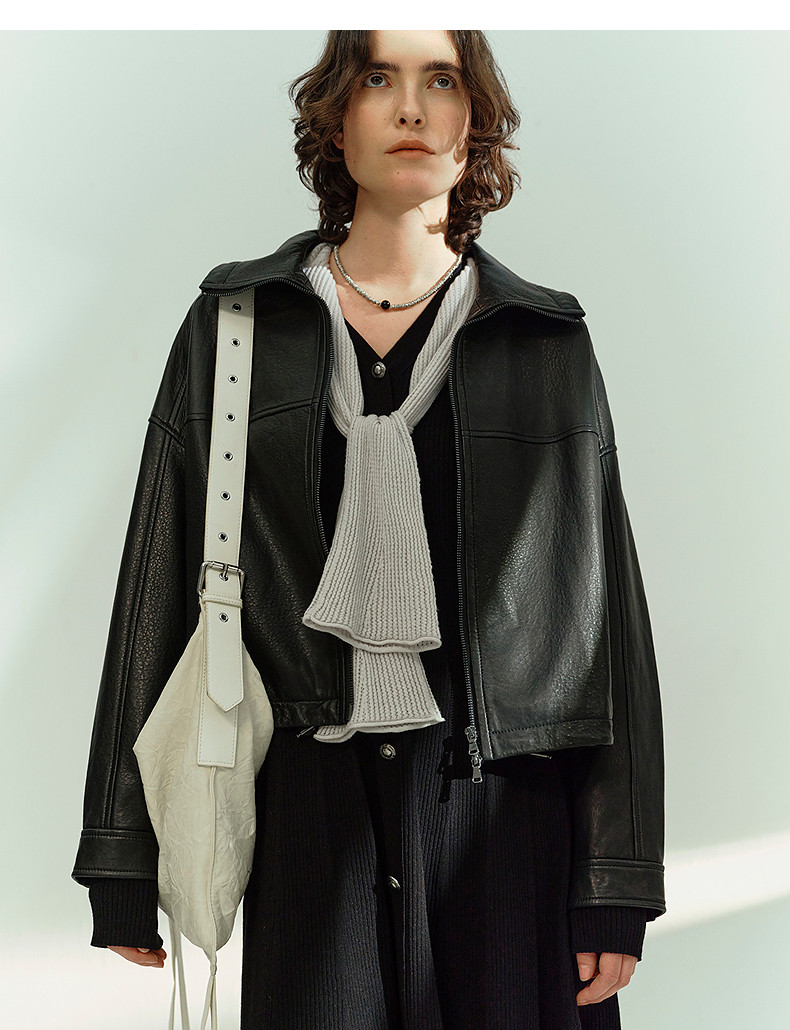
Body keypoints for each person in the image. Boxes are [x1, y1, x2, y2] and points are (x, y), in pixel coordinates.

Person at [72, 28, 666, 1030]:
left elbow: (606, 623)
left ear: (473, 124)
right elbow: (158, 580)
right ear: (335, 119)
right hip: (307, 815)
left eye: (442, 80)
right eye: (378, 77)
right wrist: (123, 851)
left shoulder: (542, 341)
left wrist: (616, 876)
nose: (411, 107)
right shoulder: (237, 326)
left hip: (507, 813)